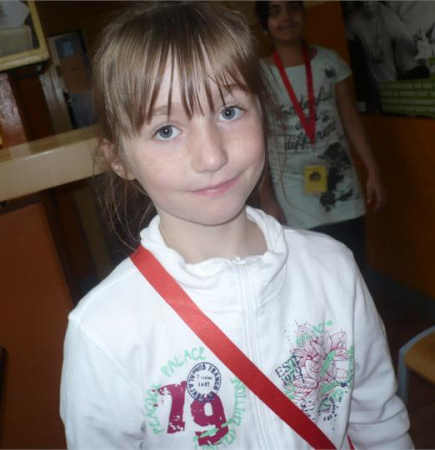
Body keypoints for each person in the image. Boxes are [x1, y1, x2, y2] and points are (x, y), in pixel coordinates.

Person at [60, 2, 413, 449]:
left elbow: (378, 421)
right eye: (166, 130)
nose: (212, 157)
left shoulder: (333, 270)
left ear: (264, 113)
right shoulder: (103, 331)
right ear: (119, 159)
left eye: (229, 112)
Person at [256, 1, 386, 269]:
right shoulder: (259, 75)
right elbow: (257, 138)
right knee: (310, 270)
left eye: (293, 8)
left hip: (340, 180)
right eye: (275, 12)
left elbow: (351, 120)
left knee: (352, 263)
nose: (286, 17)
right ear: (264, 25)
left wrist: (373, 170)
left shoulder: (330, 62)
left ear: (303, 14)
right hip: (291, 189)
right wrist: (266, 196)